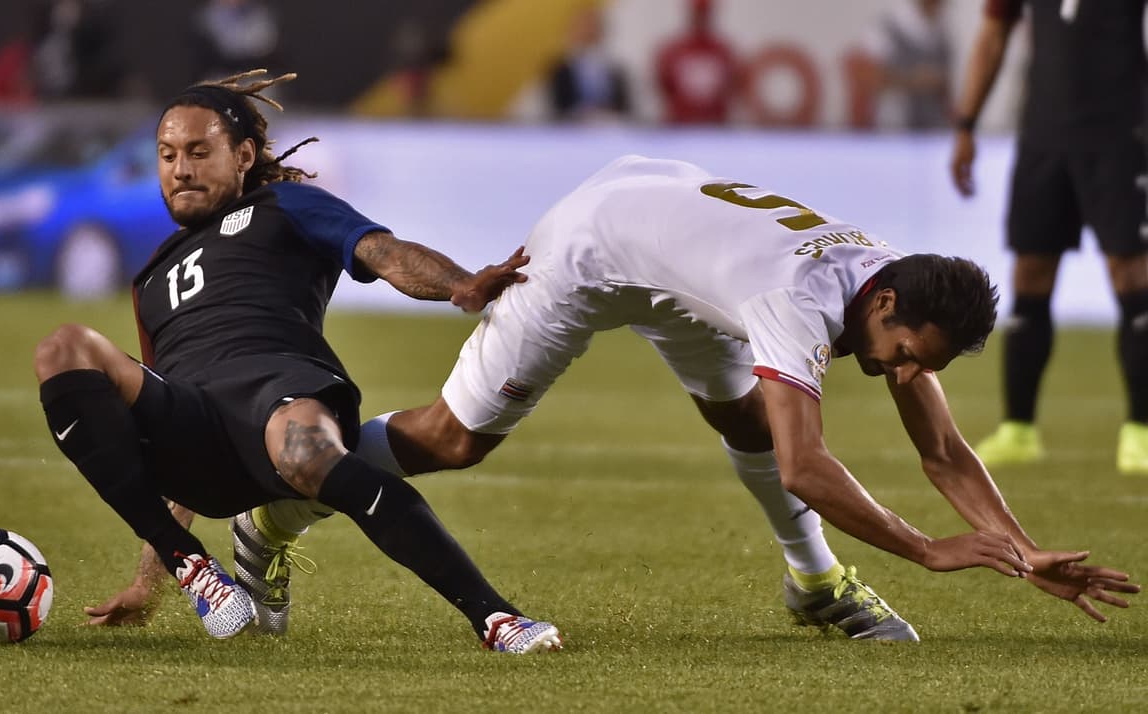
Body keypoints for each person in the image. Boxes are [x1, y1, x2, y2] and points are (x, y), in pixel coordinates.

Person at [339, 155, 1135, 634]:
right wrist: (927, 550)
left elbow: (944, 452)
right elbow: (807, 468)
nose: (900, 374)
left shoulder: (894, 282)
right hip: (596, 245)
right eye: (902, 357)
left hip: (675, 240)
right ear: (886, 306)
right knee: (455, 441)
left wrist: (1025, 554)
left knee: (748, 418)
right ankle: (306, 475)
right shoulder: (799, 299)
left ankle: (816, 584)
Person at [36, 69, 561, 653]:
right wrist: (145, 583)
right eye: (167, 154)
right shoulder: (149, 277)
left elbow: (383, 252)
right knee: (64, 347)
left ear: (242, 155)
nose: (180, 169)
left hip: (278, 395)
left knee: (302, 446)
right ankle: (191, 565)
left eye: (198, 152)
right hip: (197, 432)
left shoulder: (286, 204)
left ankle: (497, 619)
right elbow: (165, 397)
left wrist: (460, 284)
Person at [951, 0, 1148, 475]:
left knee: (1131, 272)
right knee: (1030, 272)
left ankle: (1141, 430)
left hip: (1120, 132)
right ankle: (1019, 428)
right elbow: (993, 32)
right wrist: (966, 124)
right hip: (1043, 133)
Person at [857, 0, 952, 131]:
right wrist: (914, 81)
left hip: (933, 128)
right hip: (895, 127)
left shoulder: (942, 32)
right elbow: (868, 78)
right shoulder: (886, 27)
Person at [654, 0, 741, 125]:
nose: (700, 18)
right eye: (697, 13)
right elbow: (664, 85)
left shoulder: (723, 51)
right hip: (679, 125)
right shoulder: (673, 51)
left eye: (704, 13)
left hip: (714, 126)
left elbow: (732, 85)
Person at [546, 6, 631, 123]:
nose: (588, 32)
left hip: (610, 126)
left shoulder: (614, 69)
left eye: (592, 27)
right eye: (583, 27)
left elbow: (625, 106)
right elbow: (557, 106)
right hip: (571, 128)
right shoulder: (560, 69)